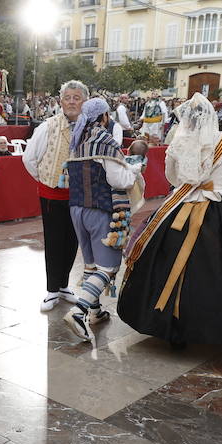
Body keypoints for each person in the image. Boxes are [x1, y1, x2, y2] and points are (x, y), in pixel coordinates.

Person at [118, 93, 222, 346]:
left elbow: (172, 177)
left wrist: (190, 185)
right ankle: (220, 325)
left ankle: (170, 322)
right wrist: (215, 185)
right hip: (220, 208)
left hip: (182, 205)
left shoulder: (179, 143)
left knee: (165, 258)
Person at [61, 97, 140, 342]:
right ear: (105, 116)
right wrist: (134, 171)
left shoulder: (78, 140)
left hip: (77, 209)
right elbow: (119, 180)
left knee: (91, 264)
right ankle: (79, 311)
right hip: (100, 209)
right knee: (108, 266)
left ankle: (95, 311)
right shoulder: (104, 141)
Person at [22, 79, 87, 312]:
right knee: (54, 240)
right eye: (68, 97)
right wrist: (46, 179)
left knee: (73, 241)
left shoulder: (89, 129)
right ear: (60, 101)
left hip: (80, 196)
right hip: (52, 194)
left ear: (84, 102)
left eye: (76, 97)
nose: (71, 101)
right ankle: (51, 289)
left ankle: (63, 285)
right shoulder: (47, 127)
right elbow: (29, 159)